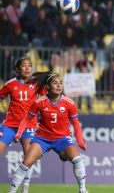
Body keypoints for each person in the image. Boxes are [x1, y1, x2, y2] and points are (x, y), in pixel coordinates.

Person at [10, 72, 87, 193]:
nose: (59, 86)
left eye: (61, 83)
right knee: (26, 163)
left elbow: (76, 124)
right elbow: (26, 120)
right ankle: (12, 191)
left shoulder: (69, 103)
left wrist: (80, 141)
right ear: (48, 87)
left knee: (77, 159)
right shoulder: (39, 102)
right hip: (42, 139)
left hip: (62, 139)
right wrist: (19, 134)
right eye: (55, 83)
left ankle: (82, 190)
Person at [0, 57, 42, 193]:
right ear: (17, 69)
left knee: (29, 157)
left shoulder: (37, 85)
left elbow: (46, 101)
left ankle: (25, 187)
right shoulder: (10, 84)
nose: (27, 68)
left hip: (29, 126)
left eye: (30, 65)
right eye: (24, 65)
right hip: (10, 125)